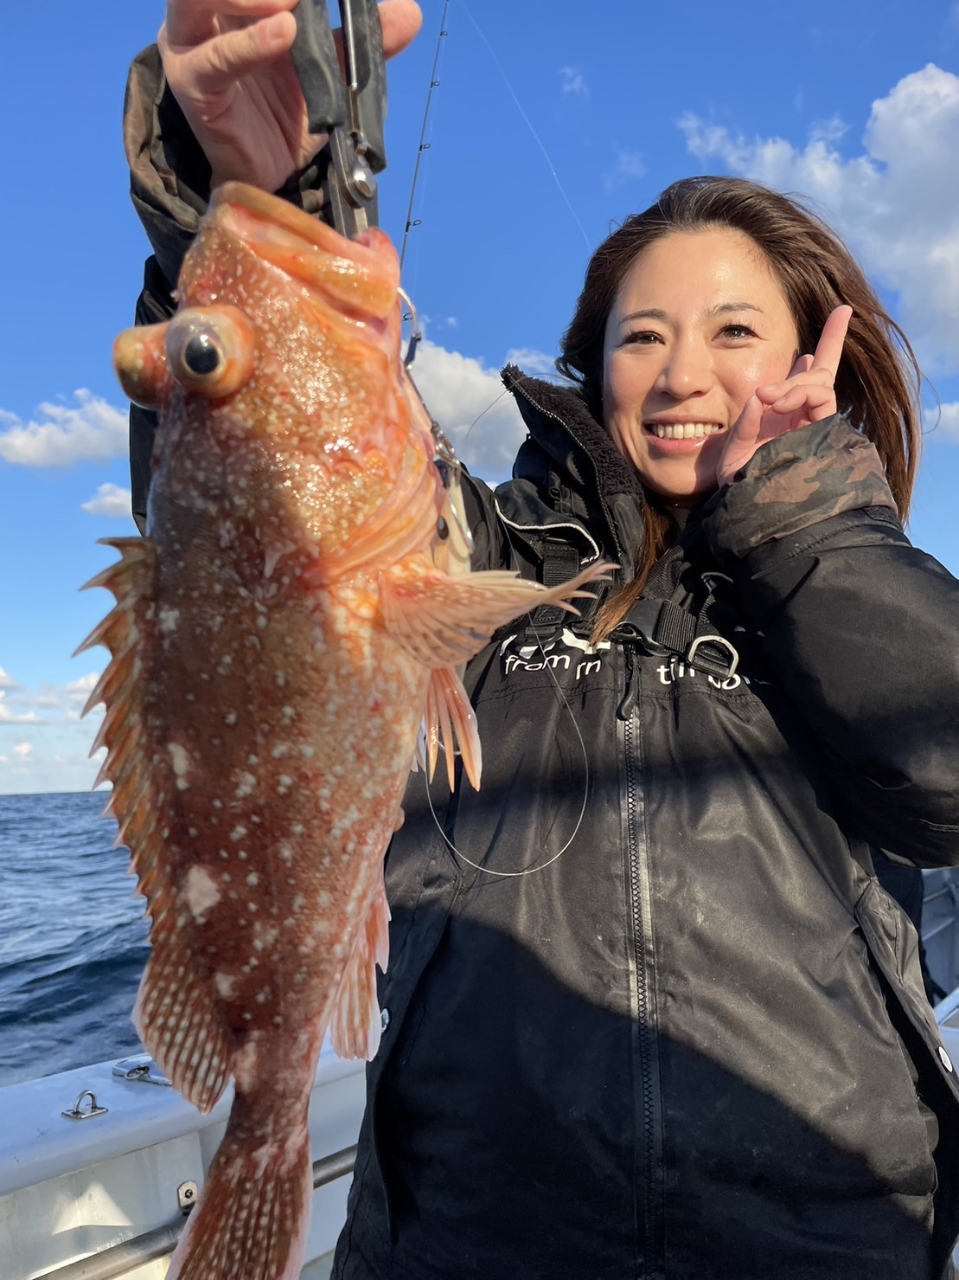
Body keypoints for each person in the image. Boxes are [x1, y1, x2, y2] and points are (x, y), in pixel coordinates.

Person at [124, 3, 959, 1276]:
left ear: (815, 358)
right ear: (591, 368)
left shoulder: (847, 576)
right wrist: (239, 181)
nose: (681, 372)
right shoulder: (484, 558)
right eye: (641, 335)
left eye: (733, 331)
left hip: (826, 1241)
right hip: (470, 1238)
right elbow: (252, 522)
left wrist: (796, 515)